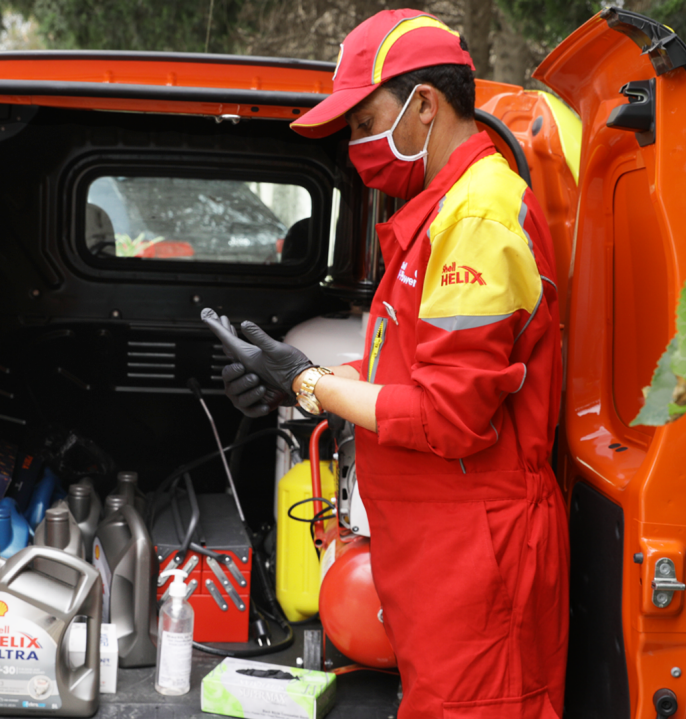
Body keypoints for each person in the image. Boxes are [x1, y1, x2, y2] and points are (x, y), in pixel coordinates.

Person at [202, 9, 567, 718]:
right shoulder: (437, 213)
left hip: (480, 556)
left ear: (425, 105)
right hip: (438, 552)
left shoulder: (477, 218)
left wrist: (307, 382)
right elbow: (407, 376)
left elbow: (448, 416)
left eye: (366, 122)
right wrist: (298, 382)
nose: (356, 147)